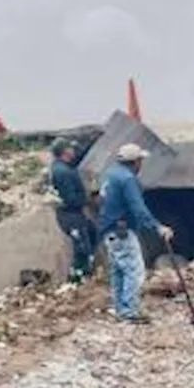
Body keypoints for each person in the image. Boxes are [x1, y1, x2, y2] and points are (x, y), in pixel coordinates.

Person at [96, 143, 173, 323]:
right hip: (122, 230)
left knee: (118, 271)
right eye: (140, 161)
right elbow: (138, 208)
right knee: (134, 270)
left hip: (109, 230)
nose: (141, 164)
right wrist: (158, 227)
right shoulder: (128, 179)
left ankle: (120, 308)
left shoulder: (111, 174)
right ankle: (130, 310)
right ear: (135, 162)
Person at [48, 138, 96, 282]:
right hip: (71, 216)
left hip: (71, 215)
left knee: (92, 234)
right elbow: (71, 199)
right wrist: (90, 199)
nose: (74, 150)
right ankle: (76, 280)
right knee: (82, 249)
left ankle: (82, 276)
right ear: (65, 151)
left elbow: (77, 159)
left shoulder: (61, 167)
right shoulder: (63, 172)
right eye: (71, 148)